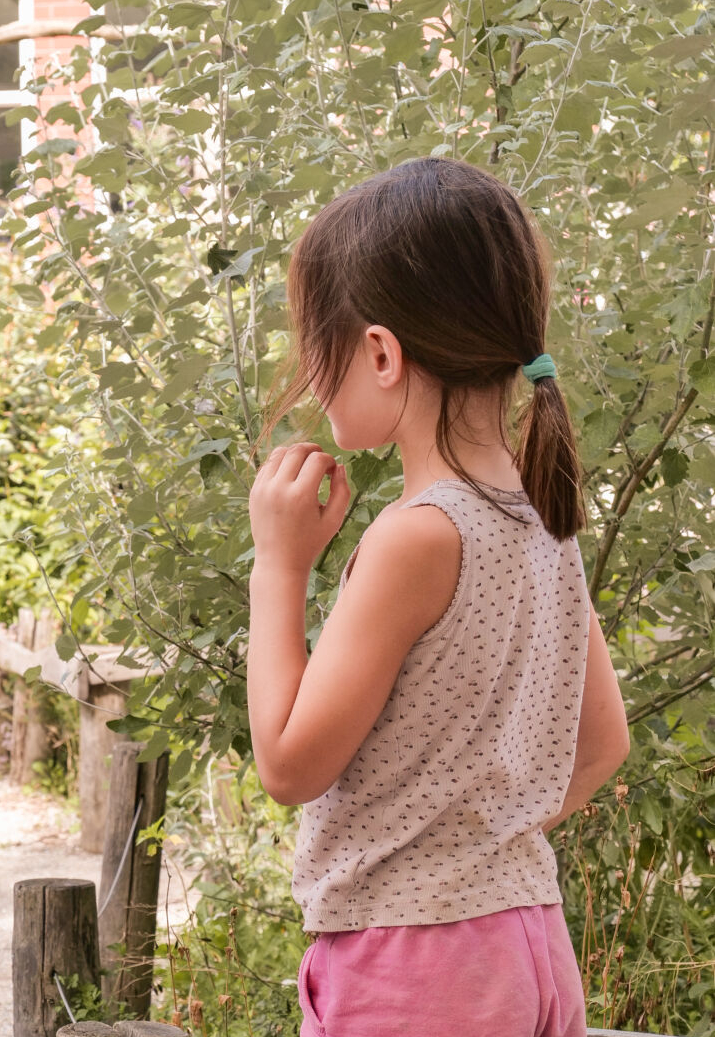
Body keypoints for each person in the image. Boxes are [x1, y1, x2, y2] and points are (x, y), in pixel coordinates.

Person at [246, 157, 630, 1036]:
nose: (309, 373)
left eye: (318, 343)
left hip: (415, 968)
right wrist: (476, 846)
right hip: (527, 943)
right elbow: (603, 742)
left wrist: (280, 565)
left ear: (380, 352)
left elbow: (289, 764)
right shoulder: (542, 513)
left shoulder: (417, 535)